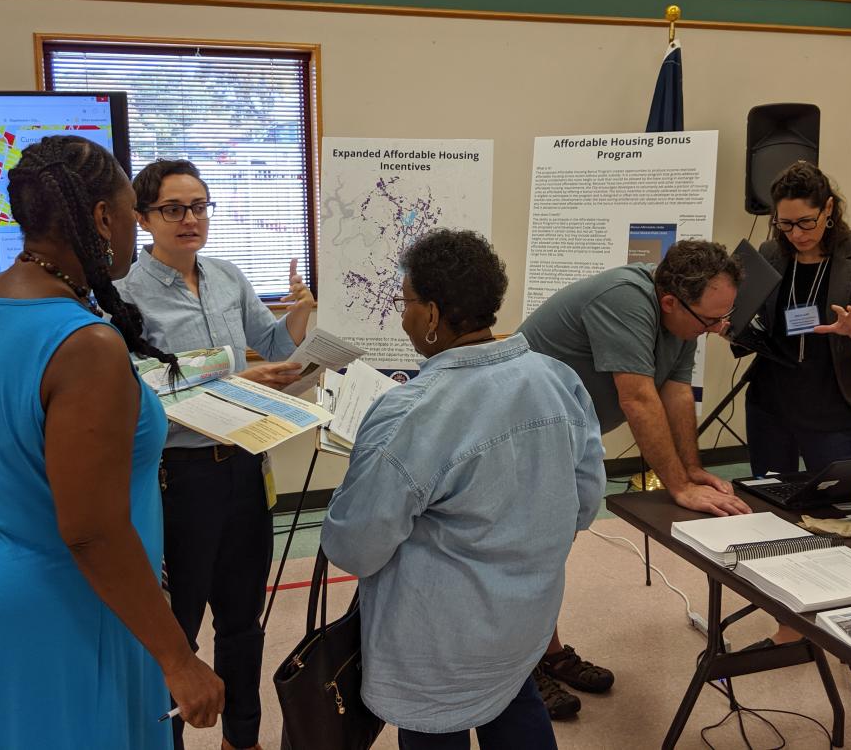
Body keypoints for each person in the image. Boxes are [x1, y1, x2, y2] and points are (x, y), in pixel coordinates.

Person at [0, 136, 225, 749]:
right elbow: (91, 530)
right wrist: (179, 660)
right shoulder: (85, 345)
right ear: (103, 218)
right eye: (134, 213)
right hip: (48, 602)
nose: (138, 230)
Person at [322, 229, 605, 750]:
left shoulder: (410, 412)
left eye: (404, 302)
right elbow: (584, 505)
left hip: (437, 645)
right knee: (514, 698)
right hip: (526, 622)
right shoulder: (558, 379)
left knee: (439, 727)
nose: (401, 314)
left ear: (431, 315)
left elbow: (354, 548)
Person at [115, 159, 315, 750]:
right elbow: (142, 385)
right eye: (173, 208)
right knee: (177, 631)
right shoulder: (123, 295)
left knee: (242, 621)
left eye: (200, 206)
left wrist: (297, 316)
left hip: (246, 466)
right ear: (143, 217)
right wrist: (239, 375)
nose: (190, 219)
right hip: (179, 477)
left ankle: (243, 739)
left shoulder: (228, 276)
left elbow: (275, 349)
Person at [518, 239, 750, 718]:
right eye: (710, 320)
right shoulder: (625, 298)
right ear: (670, 301)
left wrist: (690, 470)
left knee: (551, 548)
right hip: (523, 433)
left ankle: (549, 652)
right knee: (526, 553)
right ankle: (523, 669)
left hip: (567, 433)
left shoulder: (681, 319)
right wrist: (679, 489)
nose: (715, 329)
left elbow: (677, 392)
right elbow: (638, 398)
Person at [736, 160, 851, 733]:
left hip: (834, 409)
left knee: (849, 528)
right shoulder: (770, 254)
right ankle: (789, 627)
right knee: (777, 521)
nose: (795, 234)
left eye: (805, 223)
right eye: (784, 225)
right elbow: (747, 323)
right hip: (771, 405)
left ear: (829, 208)